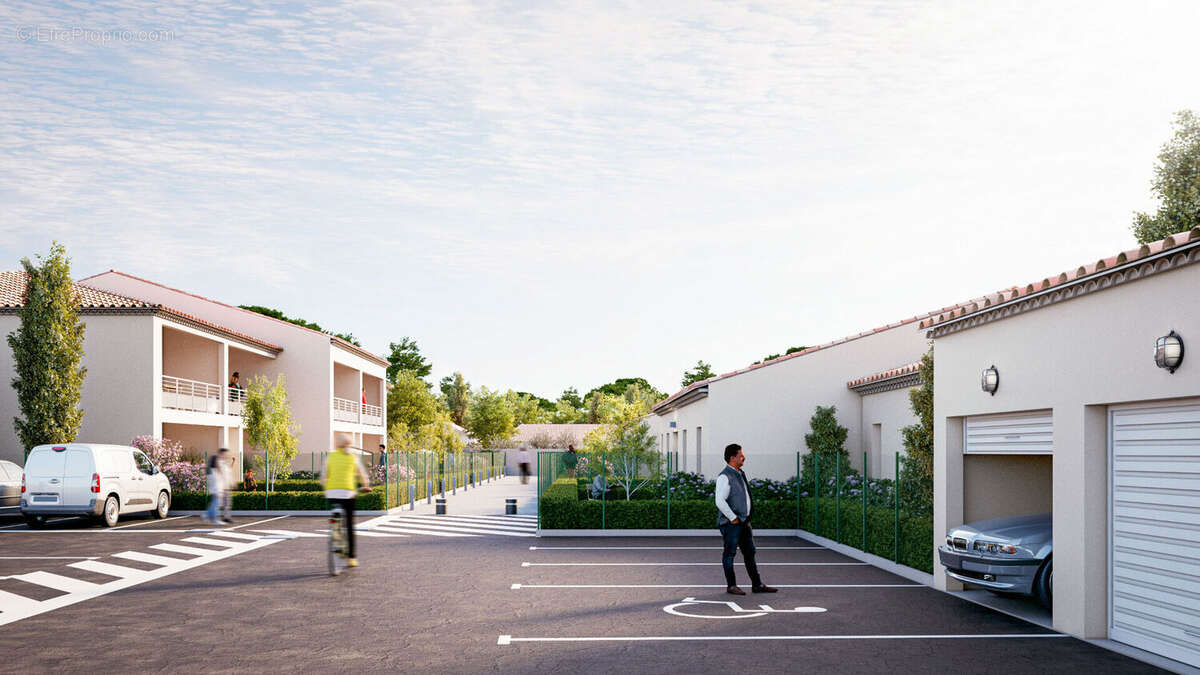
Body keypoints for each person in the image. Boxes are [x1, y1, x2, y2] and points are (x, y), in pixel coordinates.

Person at [715, 443, 777, 596]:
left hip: (744, 522)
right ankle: (731, 586)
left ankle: (757, 584)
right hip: (732, 524)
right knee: (729, 554)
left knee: (750, 553)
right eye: (740, 455)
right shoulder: (724, 476)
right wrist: (733, 518)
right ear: (732, 458)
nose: (744, 457)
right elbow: (719, 501)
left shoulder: (740, 473)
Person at [321, 433, 371, 567]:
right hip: (348, 494)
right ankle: (351, 558)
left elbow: (323, 476)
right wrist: (366, 486)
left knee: (336, 515)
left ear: (337, 444)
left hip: (331, 493)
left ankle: (335, 533)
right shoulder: (353, 458)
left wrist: (326, 488)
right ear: (350, 444)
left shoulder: (330, 456)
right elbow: (362, 475)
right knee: (349, 524)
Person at [205, 448, 232, 525]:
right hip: (217, 488)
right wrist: (219, 491)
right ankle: (214, 519)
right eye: (225, 454)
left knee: (215, 502)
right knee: (216, 503)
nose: (226, 455)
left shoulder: (212, 471)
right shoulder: (214, 472)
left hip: (217, 488)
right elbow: (217, 481)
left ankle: (207, 515)